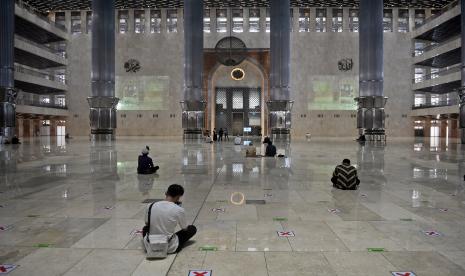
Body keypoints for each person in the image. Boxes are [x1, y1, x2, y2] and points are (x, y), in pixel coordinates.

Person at [144, 184, 197, 254]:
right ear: (178, 197)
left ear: (166, 193)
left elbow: (147, 223)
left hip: (150, 245)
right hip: (170, 246)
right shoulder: (179, 209)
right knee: (192, 228)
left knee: (145, 228)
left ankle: (151, 245)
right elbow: (184, 228)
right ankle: (171, 245)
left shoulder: (150, 205)